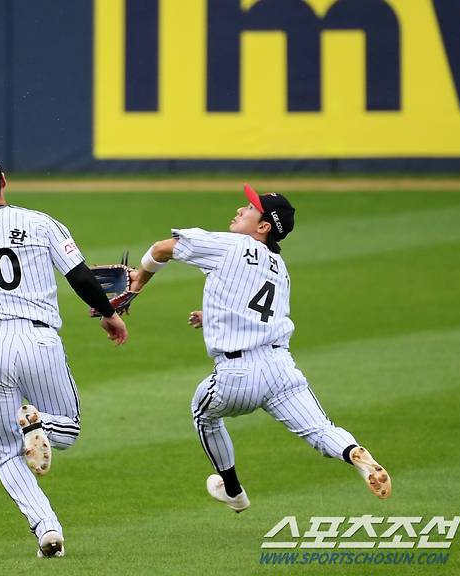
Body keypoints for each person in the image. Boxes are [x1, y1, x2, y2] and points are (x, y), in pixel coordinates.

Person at [130, 184, 391, 512]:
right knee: (321, 430)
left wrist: (139, 281)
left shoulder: (232, 244)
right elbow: (256, 313)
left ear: (263, 227)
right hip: (282, 370)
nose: (241, 209)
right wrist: (210, 316)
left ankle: (234, 490)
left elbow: (161, 249)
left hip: (238, 375)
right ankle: (352, 452)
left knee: (203, 413)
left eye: (250, 208)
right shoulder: (279, 270)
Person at [0, 149, 127, 558]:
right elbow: (79, 275)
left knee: (7, 452)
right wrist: (110, 314)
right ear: (3, 180)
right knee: (69, 429)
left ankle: (46, 527)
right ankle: (39, 423)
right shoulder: (39, 222)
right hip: (39, 340)